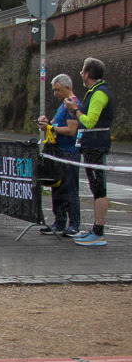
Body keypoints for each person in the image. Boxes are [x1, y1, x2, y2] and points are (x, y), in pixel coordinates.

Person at [64, 57, 113, 246]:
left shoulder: (99, 93)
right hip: (90, 145)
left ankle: (99, 232)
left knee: (99, 188)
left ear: (88, 74)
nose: (81, 75)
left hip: (96, 145)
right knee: (95, 187)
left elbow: (90, 121)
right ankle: (95, 230)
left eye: (82, 71)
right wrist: (74, 110)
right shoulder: (94, 92)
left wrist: (75, 111)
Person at [37, 74, 81, 237]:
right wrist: (46, 123)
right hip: (58, 152)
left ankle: (74, 224)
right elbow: (55, 124)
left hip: (69, 152)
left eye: (58, 90)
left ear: (67, 87)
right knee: (57, 188)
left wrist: (51, 128)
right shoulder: (63, 105)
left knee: (70, 189)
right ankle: (59, 221)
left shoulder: (73, 104)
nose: (55, 93)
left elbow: (71, 130)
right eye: (54, 90)